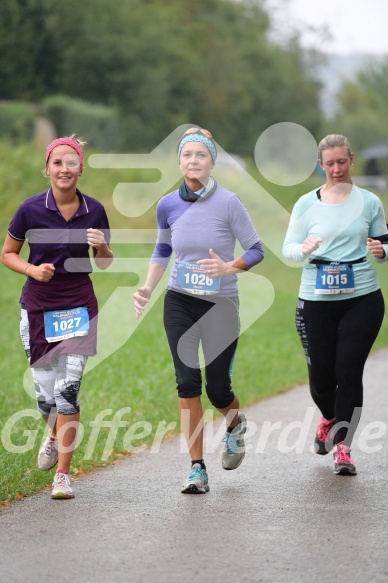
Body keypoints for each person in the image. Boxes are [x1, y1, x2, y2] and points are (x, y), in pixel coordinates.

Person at [133, 127, 264, 493]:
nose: (194, 161)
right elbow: (162, 251)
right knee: (187, 382)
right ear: (179, 161)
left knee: (219, 390)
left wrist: (229, 267)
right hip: (179, 300)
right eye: (187, 155)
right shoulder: (167, 205)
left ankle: (235, 424)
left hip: (221, 303)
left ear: (212, 161)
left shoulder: (229, 202)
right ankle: (196, 468)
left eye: (201, 155)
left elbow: (255, 250)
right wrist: (146, 286)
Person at [1, 135, 114, 499]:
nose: (64, 169)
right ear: (47, 169)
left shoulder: (94, 210)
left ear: (81, 168)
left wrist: (102, 246)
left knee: (69, 393)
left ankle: (63, 475)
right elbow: (8, 253)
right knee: (45, 399)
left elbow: (106, 261)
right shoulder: (30, 210)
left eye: (71, 162)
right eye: (57, 163)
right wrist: (32, 271)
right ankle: (52, 433)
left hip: (79, 306)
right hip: (38, 308)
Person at [283, 134, 388, 475]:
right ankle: (329, 418)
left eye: (342, 162)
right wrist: (304, 249)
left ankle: (343, 446)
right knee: (321, 381)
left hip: (362, 299)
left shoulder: (369, 202)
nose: (337, 169)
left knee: (349, 372)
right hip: (316, 301)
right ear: (321, 165)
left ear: (351, 160)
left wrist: (382, 251)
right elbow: (288, 249)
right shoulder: (305, 204)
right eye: (329, 164)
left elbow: (383, 240)